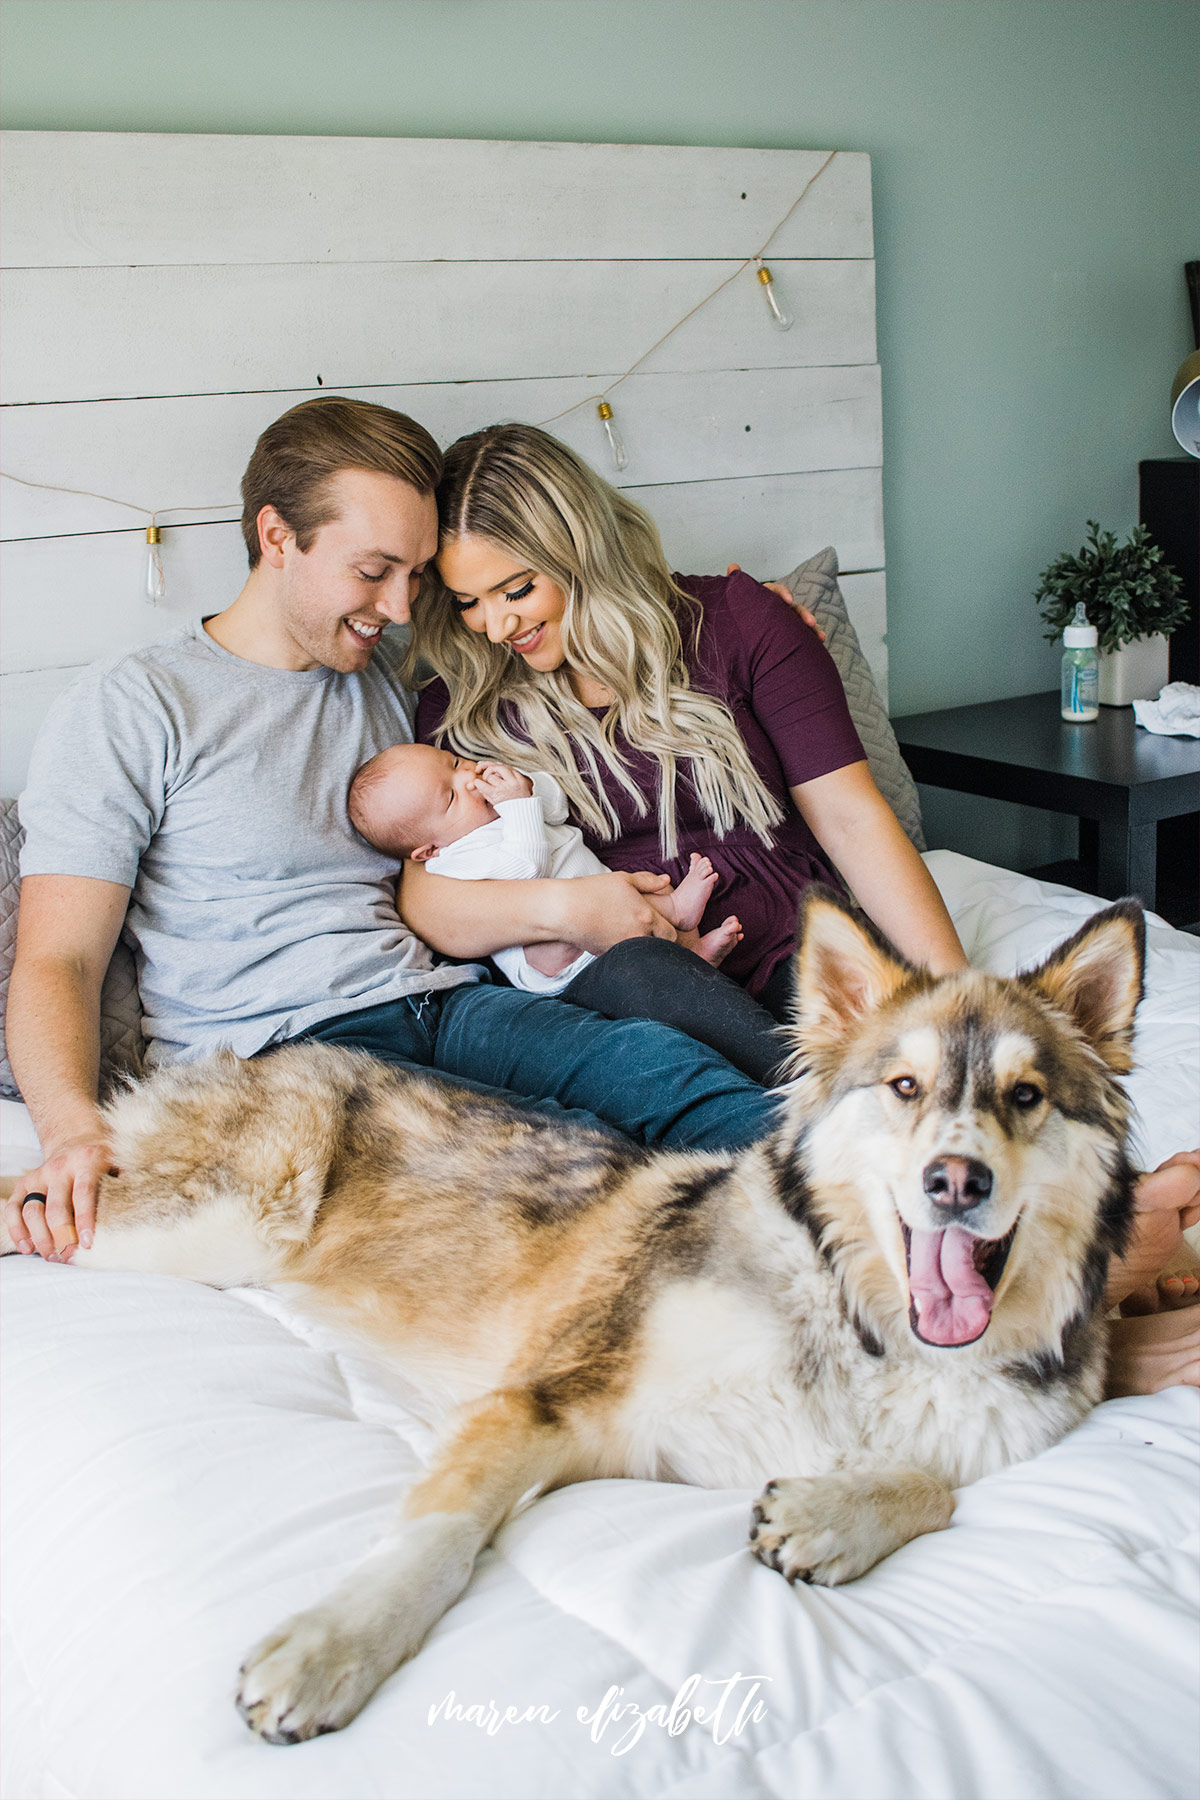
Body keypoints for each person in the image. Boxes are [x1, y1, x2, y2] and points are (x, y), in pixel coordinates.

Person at [399, 421, 1200, 1395]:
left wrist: (953, 1003)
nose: (494, 625)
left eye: (517, 589)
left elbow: (856, 822)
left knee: (905, 1051)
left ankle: (1057, 1238)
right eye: (468, 600)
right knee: (646, 987)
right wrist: (583, 904)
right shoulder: (463, 705)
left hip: (789, 943)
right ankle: (977, 1234)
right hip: (639, 968)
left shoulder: (741, 623)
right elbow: (431, 901)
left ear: (580, 546)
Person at [4, 396, 787, 1269]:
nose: (402, 607)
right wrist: (71, 1133)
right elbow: (58, 960)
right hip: (287, 1054)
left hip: (451, 1003)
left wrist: (727, 619)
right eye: (374, 570)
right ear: (276, 537)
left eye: (415, 575)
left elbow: (559, 623)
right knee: (570, 1154)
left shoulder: (392, 680)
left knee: (670, 1074)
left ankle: (889, 1223)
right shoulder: (136, 703)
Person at [348, 742, 743, 990]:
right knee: (639, 912)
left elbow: (555, 809)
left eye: (454, 762)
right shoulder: (457, 860)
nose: (468, 777)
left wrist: (527, 787)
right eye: (451, 797)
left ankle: (695, 951)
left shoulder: (497, 806)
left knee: (637, 900)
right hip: (548, 957)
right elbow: (527, 868)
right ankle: (678, 914)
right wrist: (517, 805)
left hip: (601, 901)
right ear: (428, 850)